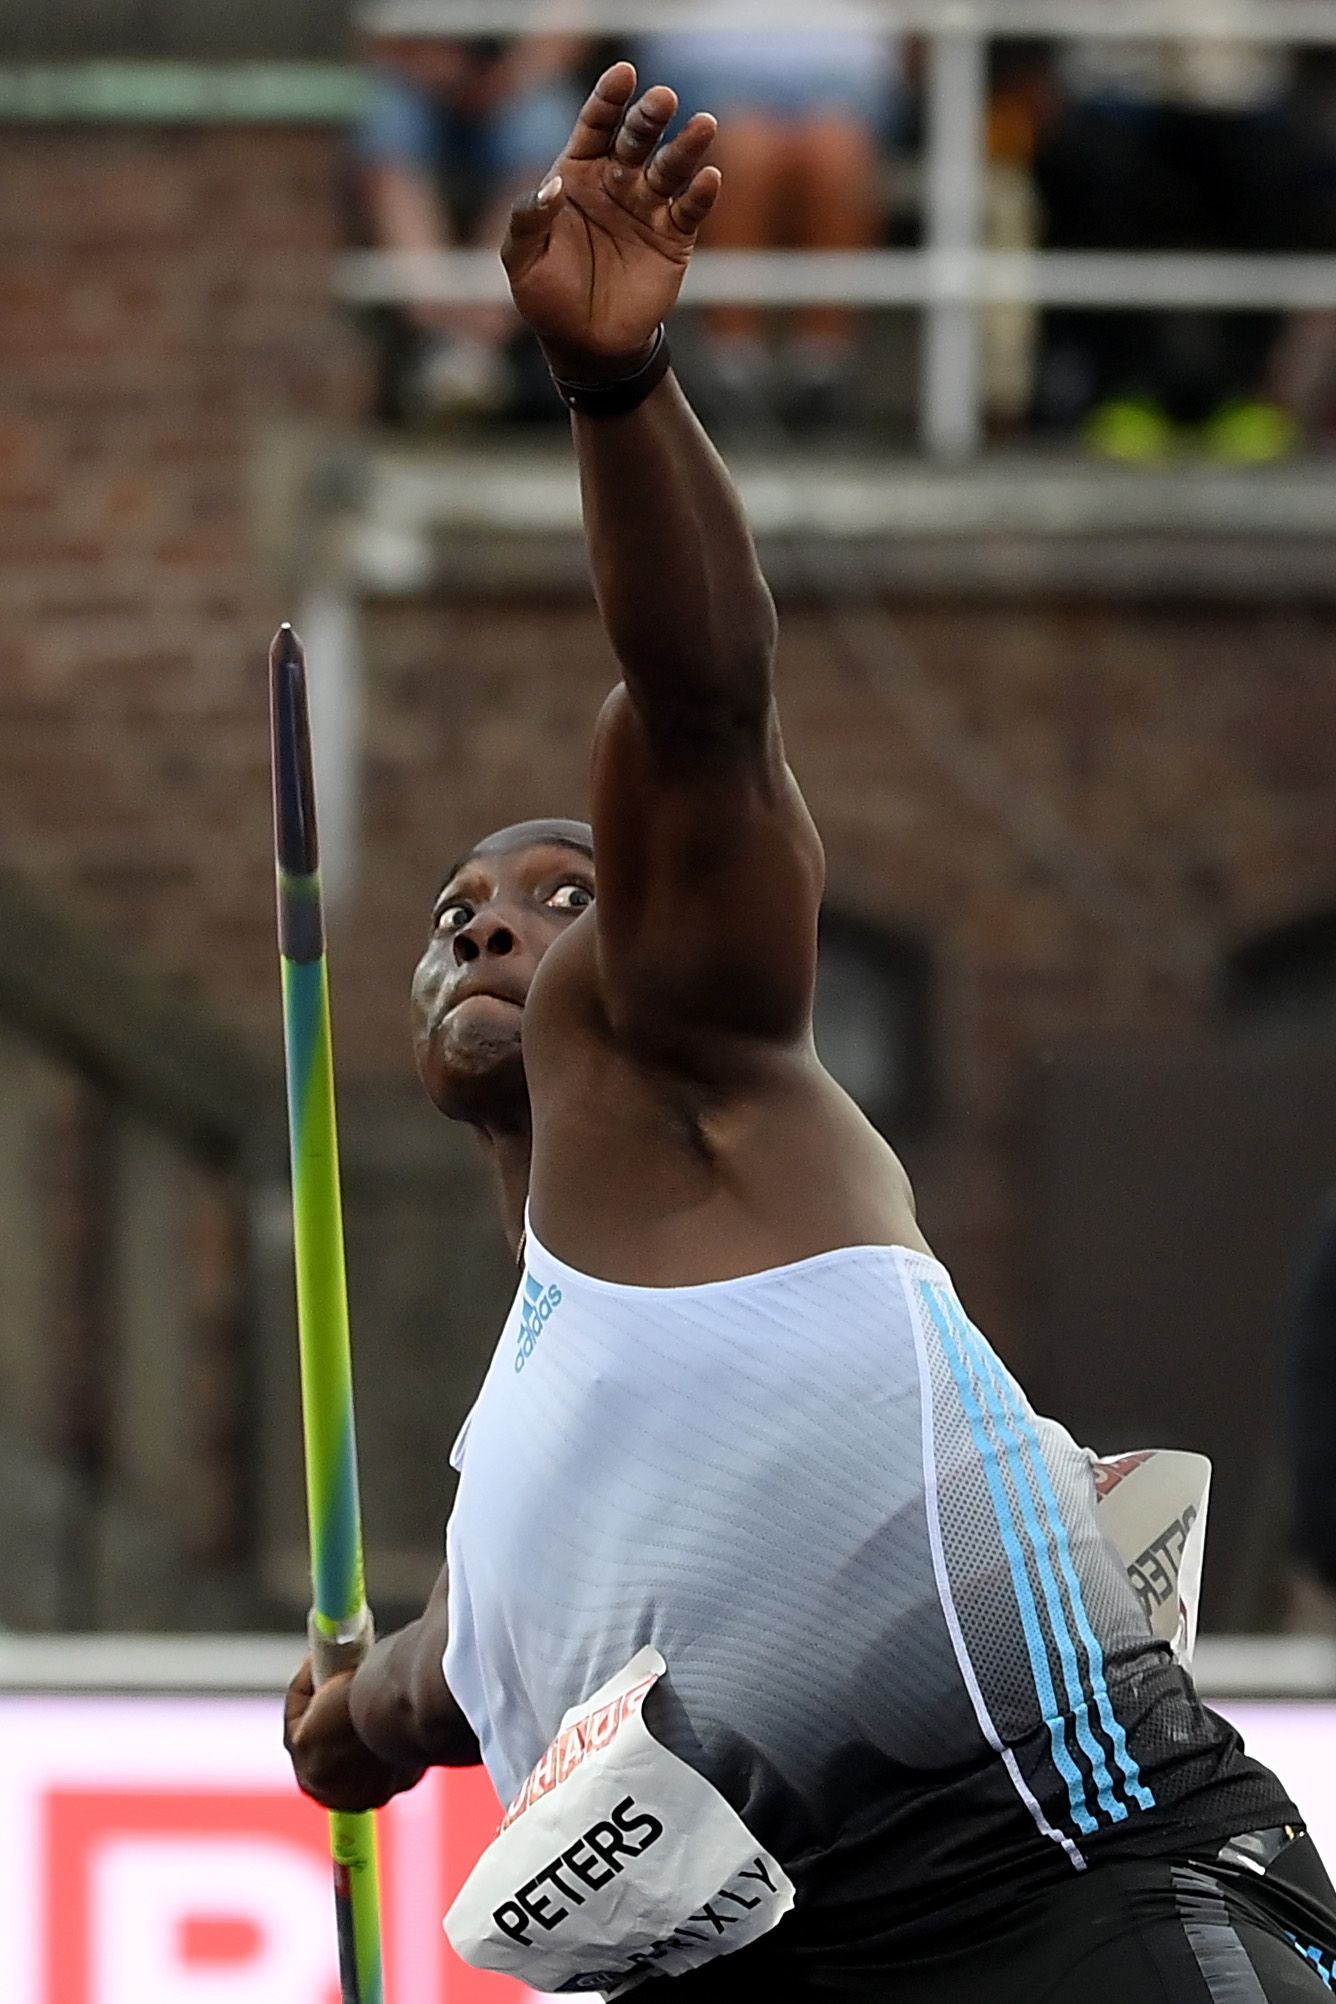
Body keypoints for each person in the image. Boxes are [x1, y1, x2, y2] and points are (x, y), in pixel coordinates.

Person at [286, 61, 1336, 2000]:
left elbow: (699, 703)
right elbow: (451, 1668)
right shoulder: (510, 1458)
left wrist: (613, 390)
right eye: (453, 918)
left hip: (1071, 1911)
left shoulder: (686, 1070)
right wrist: (354, 1725)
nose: (492, 919)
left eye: (553, 888)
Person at [638, 10, 904, 418]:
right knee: (745, 151)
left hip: (845, 81)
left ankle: (823, 366)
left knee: (838, 153)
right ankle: (735, 362)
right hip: (710, 72)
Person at [356, 26, 589, 418]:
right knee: (386, 133)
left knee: (547, 136)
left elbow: (567, 23)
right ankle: (440, 330)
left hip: (519, 82)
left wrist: (510, 76)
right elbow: (360, 26)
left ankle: (471, 346)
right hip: (405, 81)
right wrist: (426, 68)